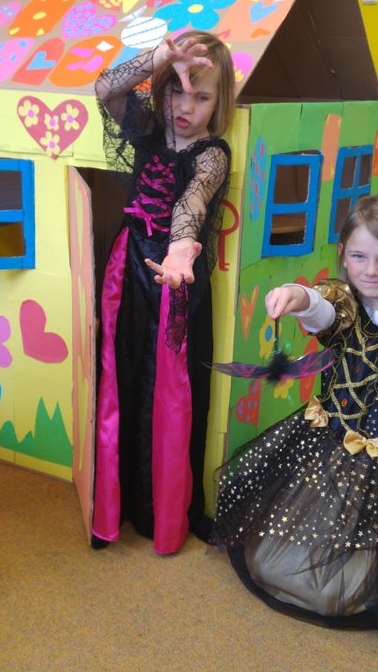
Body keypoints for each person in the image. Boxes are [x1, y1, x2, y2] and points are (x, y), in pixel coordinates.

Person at [213, 195, 378, 635]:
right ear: (344, 256)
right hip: (328, 449)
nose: (371, 270)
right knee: (272, 560)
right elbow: (319, 309)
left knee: (341, 591)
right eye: (359, 256)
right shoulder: (345, 310)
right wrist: (297, 295)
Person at [90, 31, 235, 554]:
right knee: (122, 376)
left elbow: (191, 205)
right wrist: (156, 59)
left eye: (202, 97)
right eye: (176, 91)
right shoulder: (147, 130)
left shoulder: (212, 155)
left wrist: (178, 254)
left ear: (219, 103)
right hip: (127, 269)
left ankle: (164, 511)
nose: (185, 107)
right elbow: (105, 88)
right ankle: (119, 501)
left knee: (168, 394)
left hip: (176, 278)